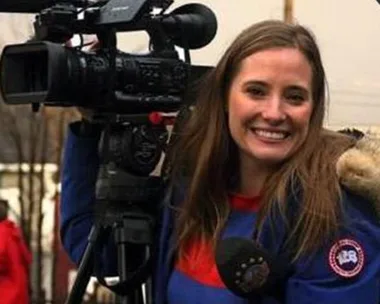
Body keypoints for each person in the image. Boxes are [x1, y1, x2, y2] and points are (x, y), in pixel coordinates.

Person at [60, 20, 380, 303]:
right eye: (256, 91)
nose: (273, 112)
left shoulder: (334, 217)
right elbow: (100, 254)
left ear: (313, 108)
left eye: (294, 97)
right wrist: (91, 128)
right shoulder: (190, 193)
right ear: (226, 98)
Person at [0, 199, 32, 304]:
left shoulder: (2, 233)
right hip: (19, 296)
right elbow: (27, 259)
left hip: (5, 296)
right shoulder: (14, 234)